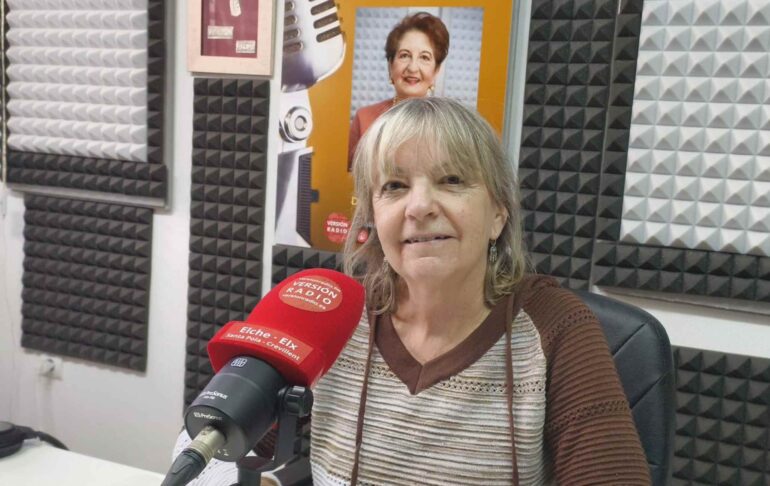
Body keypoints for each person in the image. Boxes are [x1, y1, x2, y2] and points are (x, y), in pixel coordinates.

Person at [173, 98, 650, 485]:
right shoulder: (331, 315)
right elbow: (206, 452)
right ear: (373, 216)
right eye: (395, 186)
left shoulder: (555, 327)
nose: (419, 206)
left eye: (452, 180)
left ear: (498, 214)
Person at [347, 12, 450, 170]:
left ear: (436, 71)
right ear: (390, 65)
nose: (413, 67)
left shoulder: (449, 126)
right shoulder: (364, 118)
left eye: (424, 57)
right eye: (404, 55)